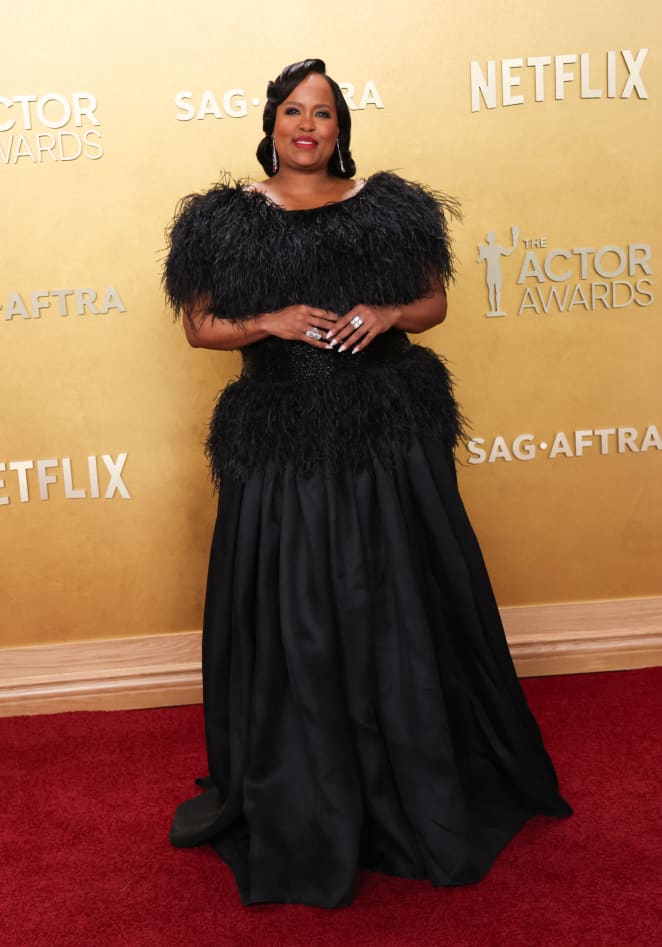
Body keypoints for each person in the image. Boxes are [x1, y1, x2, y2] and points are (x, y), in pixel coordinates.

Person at [164, 58, 571, 909]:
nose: (306, 126)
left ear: (341, 127)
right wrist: (270, 321)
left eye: (321, 113)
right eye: (291, 112)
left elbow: (432, 305)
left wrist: (386, 315)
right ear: (270, 123)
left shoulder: (389, 208)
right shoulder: (222, 220)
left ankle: (410, 760)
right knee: (303, 612)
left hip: (386, 430)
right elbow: (201, 324)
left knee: (392, 596)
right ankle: (306, 778)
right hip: (281, 437)